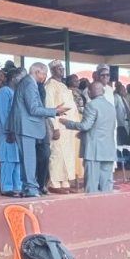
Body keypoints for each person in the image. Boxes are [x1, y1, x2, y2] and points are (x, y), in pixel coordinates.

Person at [11, 62, 69, 198]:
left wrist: (54, 111)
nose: (45, 77)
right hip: (26, 127)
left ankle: (28, 188)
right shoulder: (29, 84)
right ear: (37, 72)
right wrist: (54, 111)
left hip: (27, 127)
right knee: (29, 160)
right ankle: (31, 189)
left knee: (27, 160)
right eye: (44, 74)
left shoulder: (28, 83)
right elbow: (33, 109)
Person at [61, 81, 117, 193]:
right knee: (107, 185)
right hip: (108, 149)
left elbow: (85, 126)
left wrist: (67, 123)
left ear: (90, 92)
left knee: (92, 184)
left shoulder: (91, 105)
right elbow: (102, 126)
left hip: (94, 150)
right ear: (103, 91)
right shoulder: (110, 106)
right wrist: (83, 134)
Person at [44, 60, 81, 193]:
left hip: (68, 128)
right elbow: (49, 107)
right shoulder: (50, 85)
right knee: (57, 155)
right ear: (52, 70)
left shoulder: (64, 86)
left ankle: (65, 182)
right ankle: (54, 184)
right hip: (58, 126)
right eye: (58, 68)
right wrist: (55, 128)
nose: (61, 70)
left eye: (62, 68)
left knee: (67, 155)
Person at [0, 67, 24, 196]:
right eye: (20, 78)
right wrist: (10, 131)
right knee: (8, 160)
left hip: (16, 132)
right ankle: (6, 188)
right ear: (13, 78)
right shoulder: (4, 92)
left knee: (16, 160)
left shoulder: (16, 92)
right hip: (7, 134)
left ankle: (17, 186)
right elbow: (4, 115)